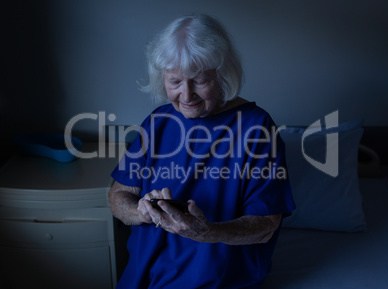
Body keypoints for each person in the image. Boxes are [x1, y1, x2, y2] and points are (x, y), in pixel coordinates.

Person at [108, 14, 295, 289]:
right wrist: (143, 212)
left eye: (199, 81)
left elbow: (265, 225)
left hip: (218, 279)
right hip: (145, 275)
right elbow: (117, 195)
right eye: (175, 82)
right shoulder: (158, 121)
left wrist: (207, 232)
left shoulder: (257, 128)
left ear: (222, 74)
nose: (186, 95)